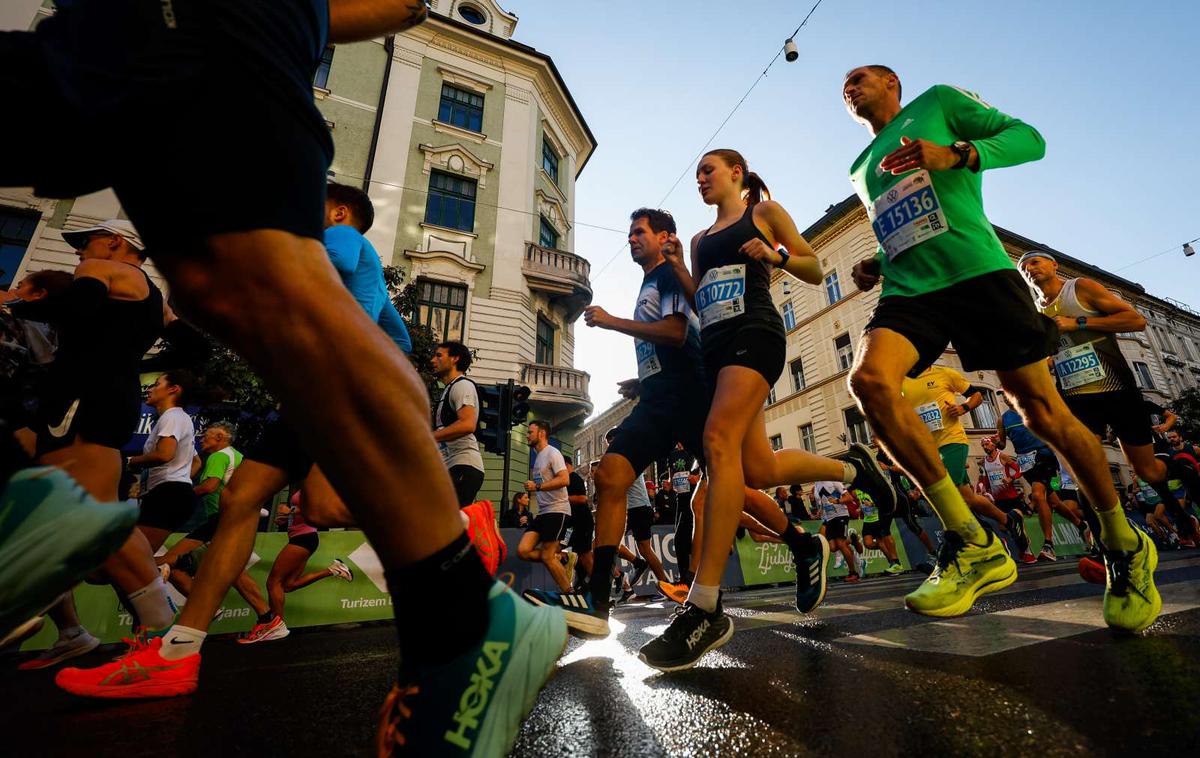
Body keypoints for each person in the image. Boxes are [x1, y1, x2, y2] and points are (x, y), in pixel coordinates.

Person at [9, 3, 563, 753]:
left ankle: (465, 597)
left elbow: (348, 319)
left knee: (257, 285)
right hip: (140, 39)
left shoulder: (343, 239)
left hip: (225, 36)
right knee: (219, 306)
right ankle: (176, 643)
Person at [841, 64, 1157, 631]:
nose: (850, 86)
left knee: (1040, 412)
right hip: (913, 291)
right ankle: (970, 541)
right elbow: (909, 225)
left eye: (862, 77)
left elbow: (1028, 138)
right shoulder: (859, 167)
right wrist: (878, 262)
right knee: (868, 383)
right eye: (845, 85)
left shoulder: (937, 104)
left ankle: (1122, 539)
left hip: (979, 276)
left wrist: (956, 153)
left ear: (893, 84)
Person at [639, 152, 895, 671]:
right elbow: (701, 296)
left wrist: (775, 255)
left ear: (737, 173)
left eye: (709, 170)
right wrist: (678, 267)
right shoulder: (697, 239)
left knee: (717, 444)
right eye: (697, 175)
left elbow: (813, 266)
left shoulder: (765, 213)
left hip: (755, 333)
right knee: (757, 467)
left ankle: (705, 604)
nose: (701, 179)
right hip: (717, 346)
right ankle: (855, 468)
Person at [1019, 250, 1198, 548]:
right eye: (1023, 267)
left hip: (1116, 390)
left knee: (1147, 471)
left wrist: (1078, 323)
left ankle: (1184, 471)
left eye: (1034, 262)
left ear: (1053, 265)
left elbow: (1135, 320)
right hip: (1076, 398)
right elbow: (1053, 356)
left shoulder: (1080, 288)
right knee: (1084, 467)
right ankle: (1105, 543)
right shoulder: (1037, 312)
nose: (1029, 269)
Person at [901, 364, 1032, 560]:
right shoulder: (902, 382)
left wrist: (963, 407)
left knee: (945, 490)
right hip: (929, 447)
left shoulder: (944, 373)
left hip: (952, 440)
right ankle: (1010, 520)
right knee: (969, 498)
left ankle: (977, 539)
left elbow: (977, 395)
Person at [240, 492, 353, 644]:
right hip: (301, 537)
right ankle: (334, 569)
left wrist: (291, 511)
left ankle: (276, 626)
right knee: (288, 585)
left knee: (273, 583)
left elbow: (315, 509)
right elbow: (301, 513)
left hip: (303, 539)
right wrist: (287, 519)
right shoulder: (305, 482)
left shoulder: (316, 483)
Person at [127, 371, 201, 551]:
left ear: (173, 390)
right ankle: (161, 569)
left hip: (167, 495)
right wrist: (180, 479)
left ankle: (164, 568)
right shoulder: (180, 418)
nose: (150, 389)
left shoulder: (172, 416)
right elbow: (196, 461)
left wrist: (129, 461)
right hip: (169, 493)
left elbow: (164, 454)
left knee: (134, 558)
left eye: (156, 384)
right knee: (135, 559)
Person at [515, 420, 574, 593]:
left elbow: (565, 479)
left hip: (557, 510)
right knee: (523, 551)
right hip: (543, 513)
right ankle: (561, 557)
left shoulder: (552, 453)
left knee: (548, 556)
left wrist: (537, 486)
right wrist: (534, 485)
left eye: (530, 432)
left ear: (541, 433)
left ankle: (569, 593)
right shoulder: (538, 457)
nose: (527, 435)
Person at [430, 341, 485, 507]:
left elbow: (468, 424)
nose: (432, 360)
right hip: (451, 468)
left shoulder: (462, 386)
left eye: (439, 355)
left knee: (444, 523)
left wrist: (427, 437)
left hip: (463, 466)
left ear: (454, 359)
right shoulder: (447, 389)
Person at [813, 481, 859, 582]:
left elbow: (849, 498)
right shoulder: (816, 484)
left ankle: (853, 573)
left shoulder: (834, 481)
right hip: (829, 518)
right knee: (833, 547)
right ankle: (851, 540)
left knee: (841, 544)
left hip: (840, 515)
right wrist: (820, 511)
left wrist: (837, 501)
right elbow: (822, 502)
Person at [564, 459, 594, 591]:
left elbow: (582, 498)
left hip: (583, 522)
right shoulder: (566, 480)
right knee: (577, 555)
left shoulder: (574, 478)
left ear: (565, 465)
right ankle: (582, 584)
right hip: (573, 525)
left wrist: (563, 498)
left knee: (585, 555)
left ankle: (599, 588)